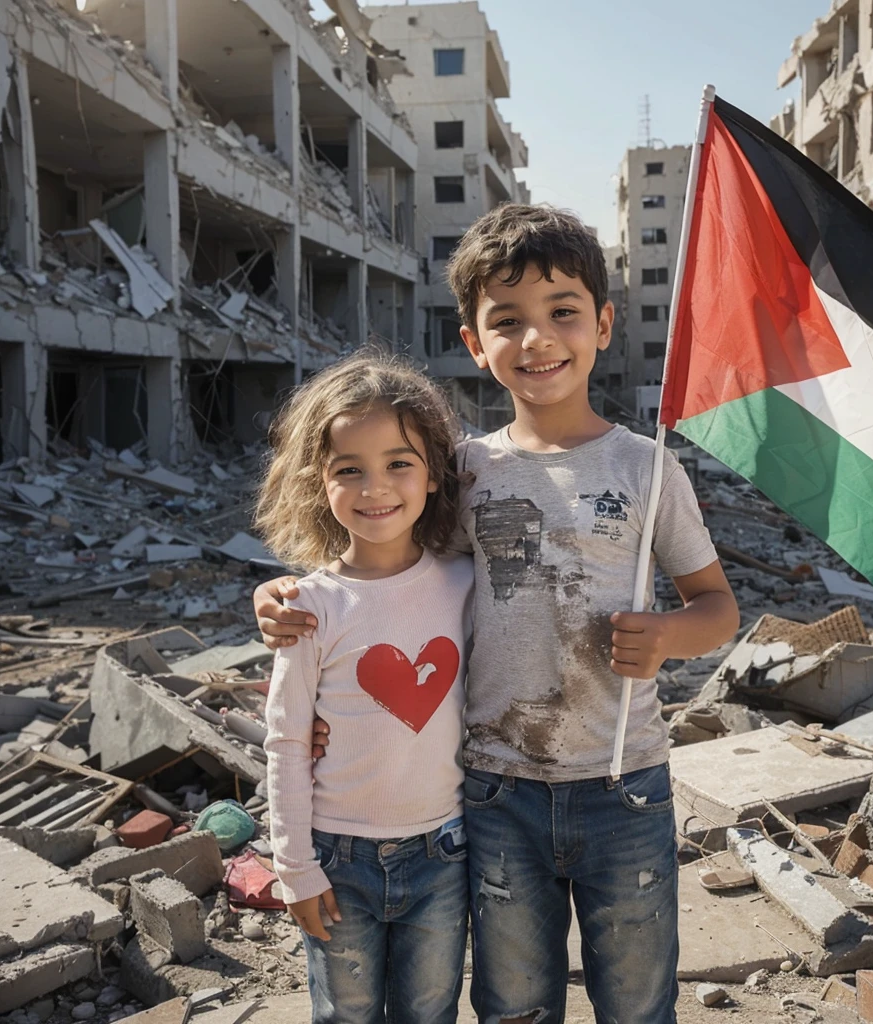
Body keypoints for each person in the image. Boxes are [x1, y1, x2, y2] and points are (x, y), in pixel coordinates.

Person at [255, 205, 740, 1024]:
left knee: (638, 1000)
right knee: (513, 1002)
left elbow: (717, 607)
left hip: (626, 787)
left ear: (604, 324)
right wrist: (280, 596)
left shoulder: (647, 467)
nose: (537, 339)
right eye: (506, 321)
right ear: (475, 343)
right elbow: (389, 567)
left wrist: (670, 636)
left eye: (562, 314)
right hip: (495, 791)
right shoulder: (468, 470)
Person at [255, 352, 473, 1024]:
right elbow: (287, 740)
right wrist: (295, 868)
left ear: (434, 473)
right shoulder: (309, 608)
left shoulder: (466, 583)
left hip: (445, 851)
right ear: (318, 484)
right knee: (344, 1015)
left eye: (398, 463)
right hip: (337, 856)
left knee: (430, 1012)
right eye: (349, 469)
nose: (375, 487)